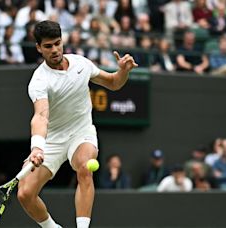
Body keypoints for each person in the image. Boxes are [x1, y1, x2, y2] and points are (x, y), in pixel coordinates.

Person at [17, 20, 138, 228]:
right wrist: (37, 147)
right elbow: (41, 116)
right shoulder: (39, 81)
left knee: (84, 167)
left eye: (57, 43)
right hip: (52, 138)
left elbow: (113, 83)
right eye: (48, 46)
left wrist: (123, 72)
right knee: (25, 193)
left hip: (81, 132)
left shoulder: (81, 64)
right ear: (38, 48)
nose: (55, 50)